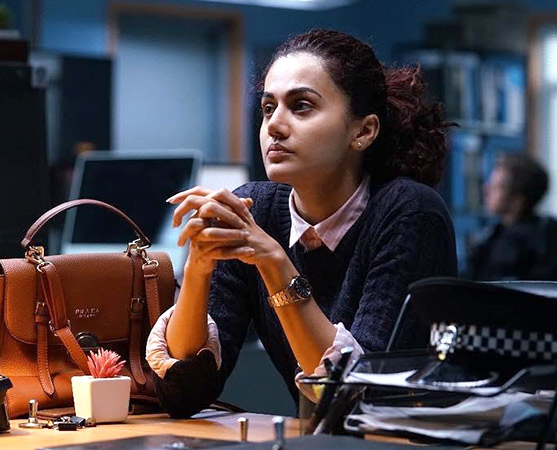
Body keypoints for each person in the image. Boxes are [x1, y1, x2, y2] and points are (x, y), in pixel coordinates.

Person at [146, 29, 457, 418]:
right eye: (268, 108)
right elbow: (183, 394)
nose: (274, 126)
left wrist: (276, 264)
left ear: (363, 131)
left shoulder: (410, 213)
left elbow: (357, 399)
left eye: (302, 106)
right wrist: (198, 268)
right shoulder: (256, 209)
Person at [466, 152, 550, 281]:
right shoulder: (499, 232)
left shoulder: (516, 246)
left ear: (517, 201)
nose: (486, 189)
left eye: (497, 187)